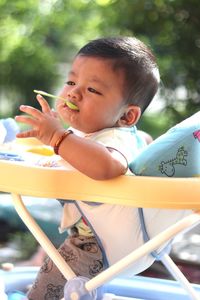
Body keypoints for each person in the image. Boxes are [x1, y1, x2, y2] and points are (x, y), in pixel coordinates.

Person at [15, 37, 186, 299]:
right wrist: (60, 136)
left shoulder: (115, 140)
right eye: (71, 82)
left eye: (92, 90)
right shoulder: (123, 135)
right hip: (125, 243)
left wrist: (58, 139)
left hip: (96, 248)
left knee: (42, 290)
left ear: (127, 116)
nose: (73, 93)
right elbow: (142, 145)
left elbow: (109, 166)